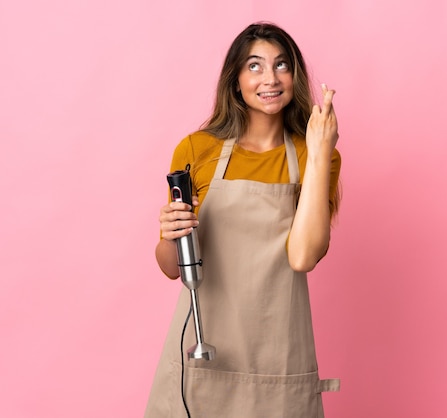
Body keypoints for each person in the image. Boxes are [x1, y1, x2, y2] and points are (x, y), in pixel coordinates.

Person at [145, 22, 341, 418]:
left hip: (278, 356)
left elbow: (303, 256)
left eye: (281, 65)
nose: (269, 78)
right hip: (205, 347)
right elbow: (172, 268)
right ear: (235, 81)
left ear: (295, 76)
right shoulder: (196, 150)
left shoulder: (314, 156)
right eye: (254, 66)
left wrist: (320, 153)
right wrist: (170, 234)